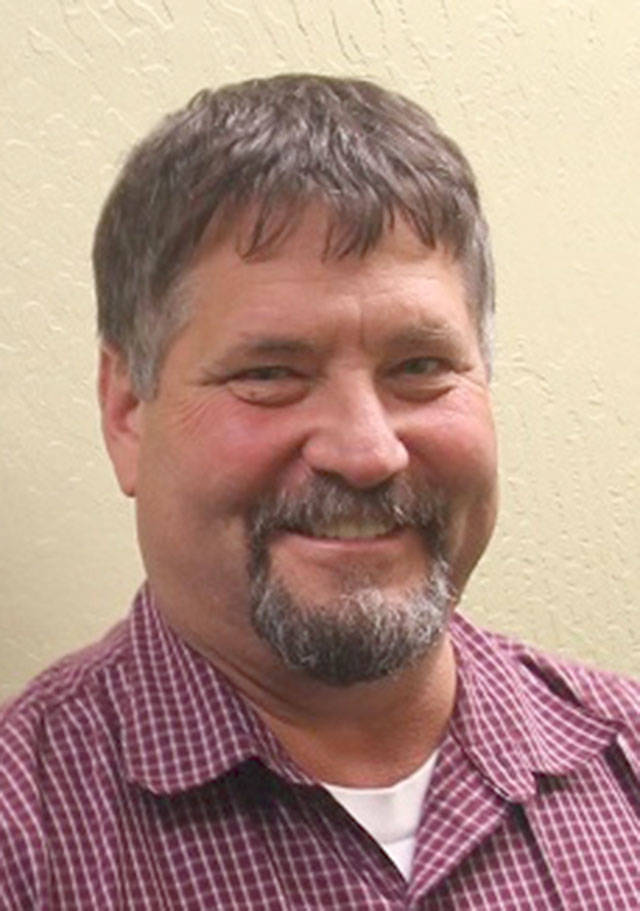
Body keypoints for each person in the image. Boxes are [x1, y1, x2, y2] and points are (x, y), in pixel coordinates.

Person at [1, 74, 638, 910]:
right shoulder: (25, 841)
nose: (367, 452)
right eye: (271, 373)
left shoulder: (625, 760)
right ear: (127, 413)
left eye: (420, 366)